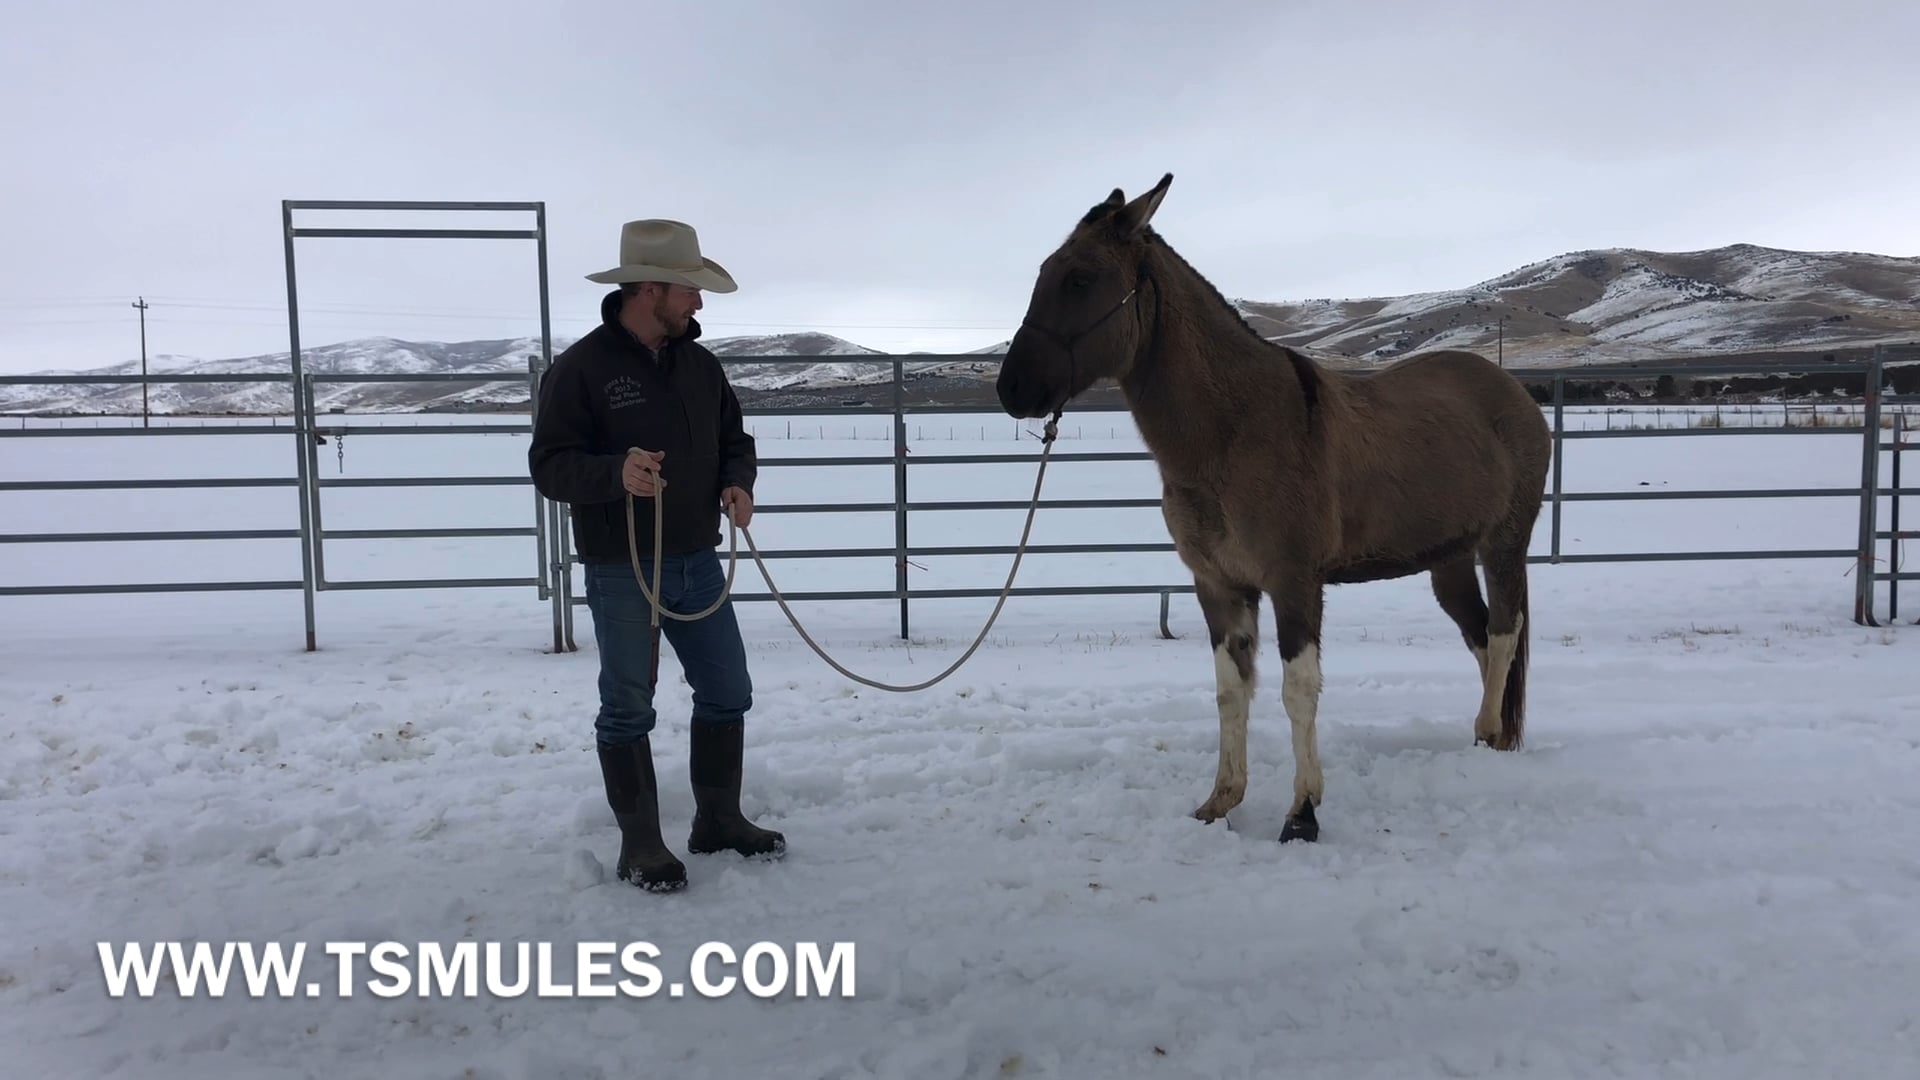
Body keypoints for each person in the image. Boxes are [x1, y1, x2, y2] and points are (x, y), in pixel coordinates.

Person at [528, 218, 784, 893]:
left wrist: (737, 482)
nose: (699, 302)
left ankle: (718, 820)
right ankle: (640, 845)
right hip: (623, 566)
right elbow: (550, 466)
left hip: (698, 558)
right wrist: (615, 473)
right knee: (626, 706)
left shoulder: (700, 366)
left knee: (728, 691)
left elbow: (735, 439)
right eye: (689, 290)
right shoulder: (580, 370)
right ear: (650, 289)